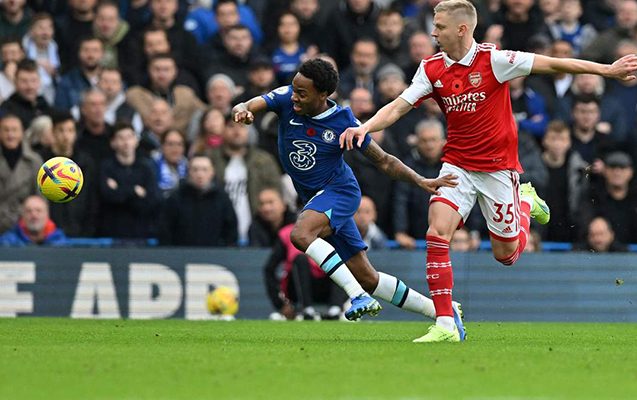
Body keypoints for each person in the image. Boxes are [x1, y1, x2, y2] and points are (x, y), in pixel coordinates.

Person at [340, 0, 637, 342]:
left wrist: (607, 70)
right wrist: (365, 127)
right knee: (436, 233)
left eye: (439, 27)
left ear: (462, 29)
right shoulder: (431, 67)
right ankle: (446, 324)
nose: (433, 32)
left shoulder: (494, 60)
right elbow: (399, 105)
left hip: (497, 170)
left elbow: (554, 63)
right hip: (457, 166)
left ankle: (525, 202)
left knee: (505, 256)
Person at [232, 58, 463, 332]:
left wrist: (419, 179)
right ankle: (443, 311)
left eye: (302, 93)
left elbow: (384, 161)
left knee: (301, 235)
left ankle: (357, 296)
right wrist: (242, 110)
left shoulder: (343, 122)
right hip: (315, 199)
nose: (294, 96)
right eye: (294, 88)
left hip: (339, 192)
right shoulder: (286, 98)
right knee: (368, 277)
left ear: (323, 95)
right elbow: (247, 104)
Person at [264, 222, 347, 321]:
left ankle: (335, 310)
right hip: (297, 289)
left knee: (341, 257)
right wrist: (280, 304)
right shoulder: (288, 233)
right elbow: (269, 269)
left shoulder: (335, 231)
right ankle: (306, 309)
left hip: (328, 288)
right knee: (300, 259)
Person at [39, 110, 98, 237]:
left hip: (80, 232)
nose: (66, 136)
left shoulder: (86, 163)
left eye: (70, 130)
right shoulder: (41, 161)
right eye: (61, 130)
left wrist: (87, 231)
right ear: (53, 132)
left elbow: (92, 201)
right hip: (48, 233)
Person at [97, 121, 160, 239]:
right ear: (113, 143)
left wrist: (119, 189)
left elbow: (151, 202)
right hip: (112, 233)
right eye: (121, 138)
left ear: (136, 141)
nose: (126, 142)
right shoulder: (106, 167)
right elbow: (107, 197)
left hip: (141, 233)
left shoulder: (146, 168)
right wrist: (135, 190)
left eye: (129, 137)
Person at [159, 155, 237, 247]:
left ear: (212, 172)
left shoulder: (222, 198)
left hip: (214, 252)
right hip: (181, 252)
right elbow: (165, 229)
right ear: (189, 172)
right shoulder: (176, 197)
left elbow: (231, 229)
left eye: (205, 170)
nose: (200, 174)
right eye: (195, 170)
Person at [0, 113, 41, 235]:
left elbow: (40, 197)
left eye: (14, 130)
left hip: (25, 228)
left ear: (22, 133)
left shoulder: (34, 161)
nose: (10, 135)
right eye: (6, 130)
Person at [54, 36, 104, 110]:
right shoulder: (68, 81)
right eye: (86, 50)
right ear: (79, 53)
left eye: (95, 50)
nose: (91, 55)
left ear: (102, 54)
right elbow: (60, 110)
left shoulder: (112, 78)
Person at [0, 59, 50, 130]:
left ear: (39, 82)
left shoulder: (43, 103)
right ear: (15, 82)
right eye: (24, 81)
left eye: (34, 81)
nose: (30, 86)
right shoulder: (7, 109)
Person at [0, 195, 67, 246]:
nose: (34, 215)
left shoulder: (61, 242)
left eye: (38, 210)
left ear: (47, 214)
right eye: (29, 211)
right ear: (22, 215)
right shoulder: (7, 242)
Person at [152, 129, 187, 198]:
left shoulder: (188, 166)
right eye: (170, 144)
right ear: (162, 146)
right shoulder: (151, 166)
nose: (175, 149)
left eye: (179, 144)